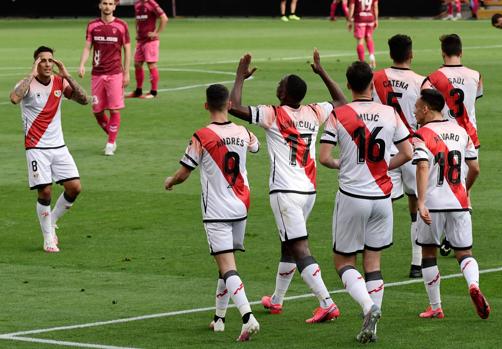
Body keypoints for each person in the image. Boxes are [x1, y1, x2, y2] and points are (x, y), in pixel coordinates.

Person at [229, 50, 347, 323]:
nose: (276, 85)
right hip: (308, 191)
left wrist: (240, 76)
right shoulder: (313, 112)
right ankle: (278, 300)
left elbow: (233, 106)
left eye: (280, 83)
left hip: (285, 192)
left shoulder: (273, 115)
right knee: (288, 244)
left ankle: (326, 302)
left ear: (284, 93)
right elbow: (341, 100)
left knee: (299, 247)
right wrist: (321, 71)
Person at [319, 61, 413, 343]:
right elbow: (408, 153)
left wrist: (341, 164)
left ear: (348, 85)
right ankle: (373, 325)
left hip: (352, 196)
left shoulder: (339, 114)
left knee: (343, 260)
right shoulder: (390, 113)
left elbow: (324, 157)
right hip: (382, 197)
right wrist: (385, 166)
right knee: (373, 263)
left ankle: (368, 307)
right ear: (372, 83)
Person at [164, 84, 261, 341]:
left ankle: (248, 316)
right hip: (241, 207)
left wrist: (170, 181)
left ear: (206, 105)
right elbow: (256, 147)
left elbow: (184, 173)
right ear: (229, 104)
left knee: (228, 267)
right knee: (225, 266)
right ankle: (219, 319)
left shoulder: (201, 136)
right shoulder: (243, 131)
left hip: (217, 210)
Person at [412, 89, 490, 320]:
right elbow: (475, 168)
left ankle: (435, 306)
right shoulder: (461, 131)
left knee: (428, 253)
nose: (415, 111)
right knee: (464, 252)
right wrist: (464, 188)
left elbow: (423, 166)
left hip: (433, 203)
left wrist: (421, 201)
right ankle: (473, 284)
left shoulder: (421, 134)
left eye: (417, 107)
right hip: (459, 200)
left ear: (426, 109)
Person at [10, 46, 89, 253]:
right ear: (36, 63)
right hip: (36, 147)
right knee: (45, 191)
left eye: (50, 60)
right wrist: (31, 73)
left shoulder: (59, 83)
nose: (47, 64)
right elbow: (14, 98)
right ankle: (47, 238)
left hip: (59, 146)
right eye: (42, 60)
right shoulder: (26, 84)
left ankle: (51, 220)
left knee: (75, 188)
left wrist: (68, 76)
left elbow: (84, 100)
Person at [422, 34, 483, 257]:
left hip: (441, 138)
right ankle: (456, 235)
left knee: (437, 186)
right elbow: (474, 101)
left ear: (442, 52)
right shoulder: (476, 76)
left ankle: (440, 235)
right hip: (468, 138)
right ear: (461, 51)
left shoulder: (432, 79)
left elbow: (428, 104)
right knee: (462, 187)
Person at [371, 34, 424, 278]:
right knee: (416, 203)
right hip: (413, 147)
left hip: (385, 149)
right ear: (411, 54)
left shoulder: (376, 78)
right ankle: (416, 262)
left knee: (383, 202)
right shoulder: (422, 82)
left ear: (390, 53)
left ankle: (372, 262)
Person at [78, 0, 131, 156]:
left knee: (114, 109)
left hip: (115, 73)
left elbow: (127, 50)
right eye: (104, 3)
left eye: (110, 3)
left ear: (114, 6)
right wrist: (82, 64)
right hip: (97, 74)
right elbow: (88, 47)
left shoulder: (122, 25)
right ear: (100, 5)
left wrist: (127, 72)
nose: (107, 6)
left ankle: (110, 143)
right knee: (97, 111)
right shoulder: (92, 25)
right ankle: (112, 136)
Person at [126, 0, 168, 99]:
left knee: (151, 64)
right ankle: (138, 91)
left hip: (150, 41)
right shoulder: (137, 3)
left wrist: (156, 33)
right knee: (137, 64)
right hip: (141, 40)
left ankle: (153, 92)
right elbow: (137, 19)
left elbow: (164, 18)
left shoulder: (152, 3)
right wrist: (137, 32)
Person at [347, 0, 379, 68]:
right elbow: (375, 6)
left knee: (360, 41)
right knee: (369, 38)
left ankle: (362, 63)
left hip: (360, 19)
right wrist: (376, 19)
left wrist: (349, 20)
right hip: (370, 18)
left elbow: (351, 7)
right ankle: (372, 57)